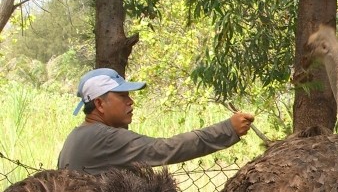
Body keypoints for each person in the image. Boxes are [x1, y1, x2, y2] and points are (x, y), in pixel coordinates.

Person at [58, 67, 255, 174]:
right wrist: (228, 129)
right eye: (123, 96)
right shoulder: (106, 138)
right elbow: (165, 149)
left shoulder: (75, 136)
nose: (131, 102)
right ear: (100, 104)